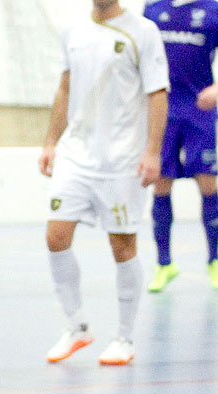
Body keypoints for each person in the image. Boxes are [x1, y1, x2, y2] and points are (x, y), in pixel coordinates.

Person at [39, 0, 169, 366]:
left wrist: (152, 152)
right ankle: (77, 326)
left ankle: (124, 338)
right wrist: (51, 141)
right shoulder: (73, 31)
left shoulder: (143, 32)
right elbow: (65, 88)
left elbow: (157, 94)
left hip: (122, 162)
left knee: (122, 246)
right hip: (76, 158)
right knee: (56, 237)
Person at [143, 0, 218, 292]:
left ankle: (214, 260)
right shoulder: (153, 10)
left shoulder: (211, 10)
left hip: (199, 112)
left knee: (208, 184)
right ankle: (164, 264)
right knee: (160, 183)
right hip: (162, 111)